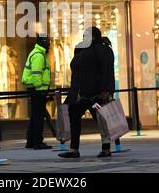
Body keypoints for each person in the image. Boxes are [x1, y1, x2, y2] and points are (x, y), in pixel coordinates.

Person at [59, 27, 114, 158]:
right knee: (74, 115)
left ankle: (105, 148)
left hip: (96, 96)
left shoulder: (102, 49)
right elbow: (75, 68)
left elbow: (107, 72)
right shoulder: (83, 50)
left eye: (86, 36)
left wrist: (106, 90)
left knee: (100, 118)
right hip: (83, 95)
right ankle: (74, 148)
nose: (84, 38)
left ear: (93, 37)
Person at [22, 35, 53, 150]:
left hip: (35, 90)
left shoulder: (37, 53)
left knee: (35, 116)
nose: (49, 44)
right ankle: (37, 142)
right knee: (38, 117)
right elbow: (36, 75)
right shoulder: (39, 55)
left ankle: (31, 141)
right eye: (48, 41)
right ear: (42, 42)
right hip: (37, 90)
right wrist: (41, 90)